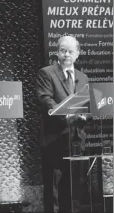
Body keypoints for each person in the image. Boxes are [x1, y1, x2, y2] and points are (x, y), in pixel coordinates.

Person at [36, 35, 89, 213]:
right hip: (54, 140)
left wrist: (85, 115)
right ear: (57, 52)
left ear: (78, 54)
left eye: (70, 51)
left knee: (74, 188)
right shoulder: (47, 73)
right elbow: (46, 99)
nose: (66, 54)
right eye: (63, 50)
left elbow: (86, 104)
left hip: (76, 140)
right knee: (54, 190)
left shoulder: (83, 77)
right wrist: (65, 116)